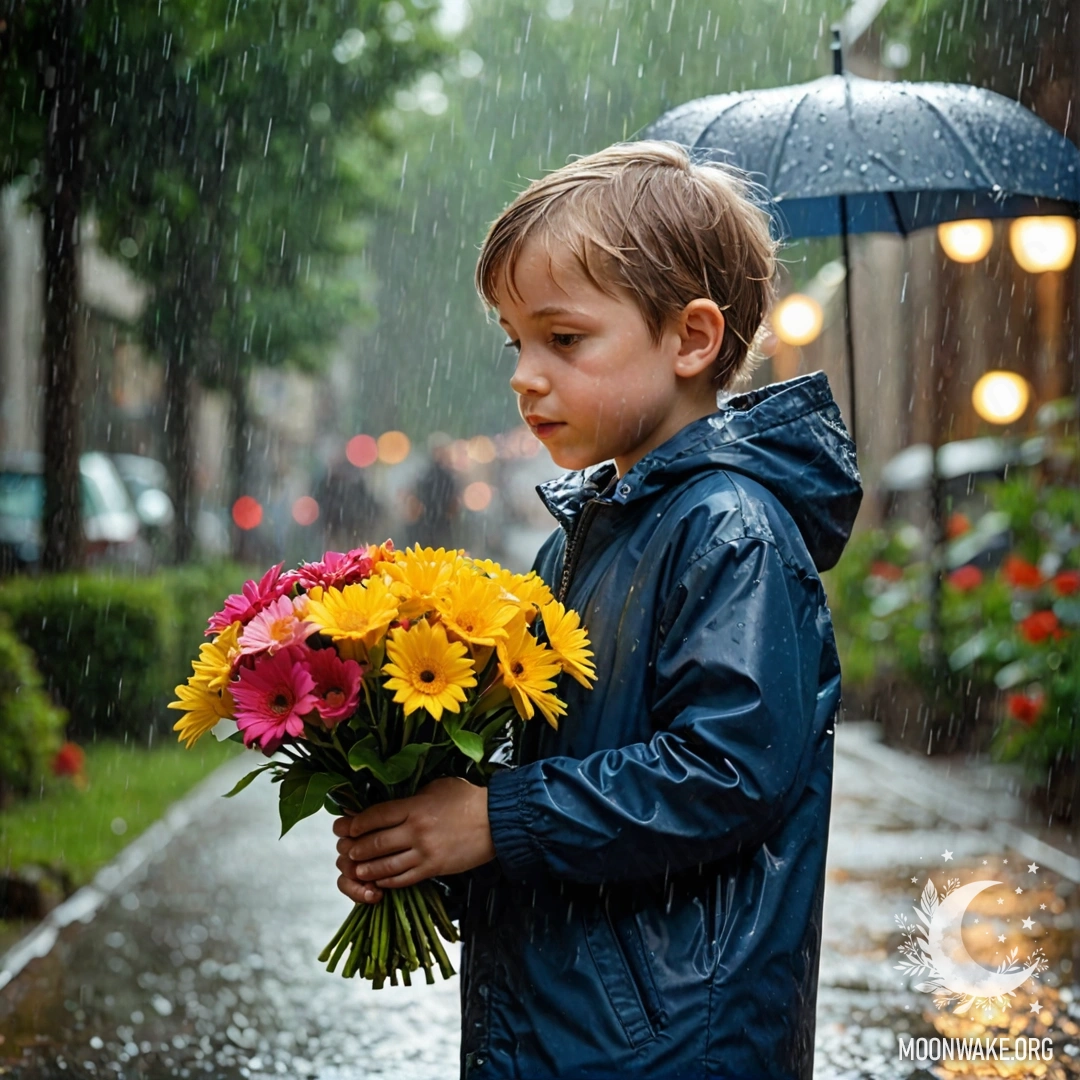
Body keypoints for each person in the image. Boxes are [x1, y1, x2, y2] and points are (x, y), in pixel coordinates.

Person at [332, 141, 863, 1079]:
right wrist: (431, 842)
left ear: (691, 340)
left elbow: (726, 773)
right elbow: (568, 785)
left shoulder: (729, 531)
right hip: (570, 1029)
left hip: (674, 1043)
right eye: (515, 342)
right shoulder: (579, 537)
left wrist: (496, 819)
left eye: (564, 339)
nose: (525, 375)